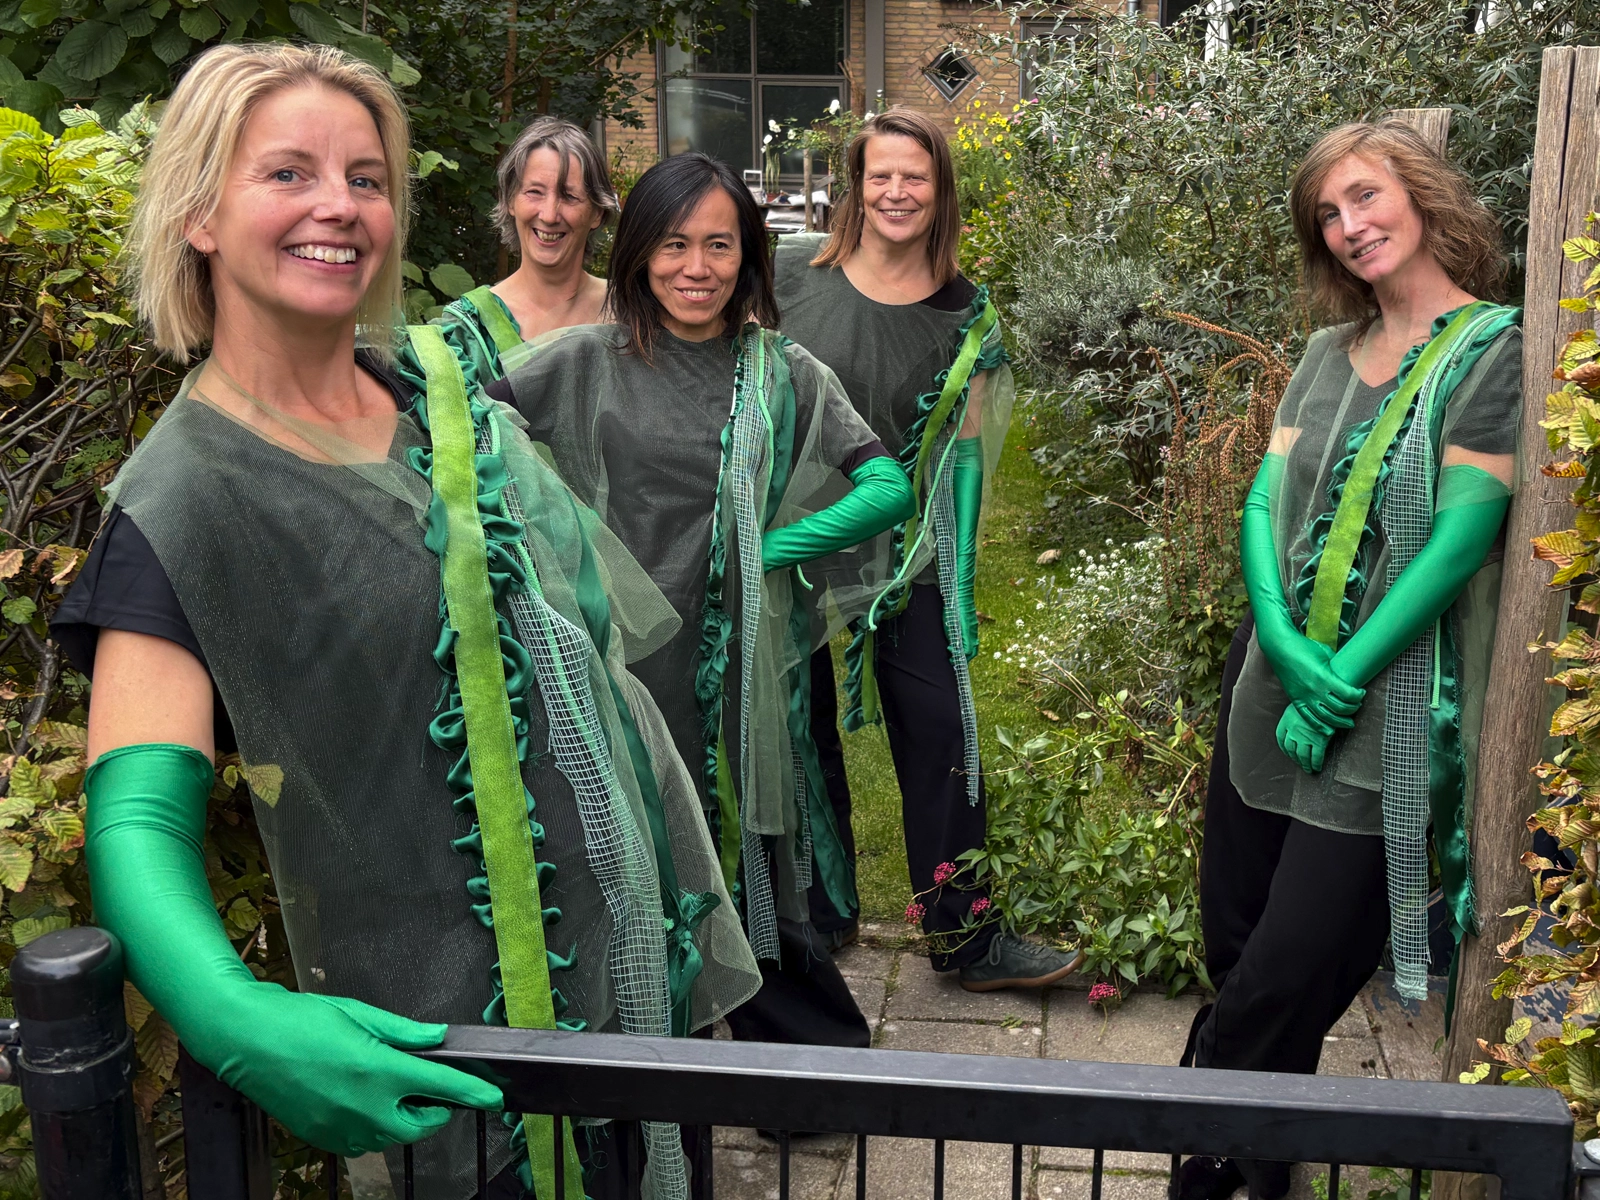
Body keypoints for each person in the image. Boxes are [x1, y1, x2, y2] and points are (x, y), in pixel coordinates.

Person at [63, 43, 759, 1200]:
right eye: (288, 173)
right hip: (449, 1046)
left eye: (367, 178)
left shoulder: (437, 397)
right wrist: (230, 1014)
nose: (339, 205)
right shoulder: (182, 501)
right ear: (199, 213)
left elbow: (588, 651)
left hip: (629, 969)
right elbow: (137, 812)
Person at [474, 152, 916, 1048]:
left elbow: (887, 487)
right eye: (674, 244)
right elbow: (467, 428)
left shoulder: (783, 371)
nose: (697, 268)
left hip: (744, 662)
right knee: (639, 842)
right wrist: (546, 543)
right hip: (625, 657)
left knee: (749, 849)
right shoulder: (585, 359)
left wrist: (765, 552)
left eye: (720, 245)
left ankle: (797, 1052)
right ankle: (651, 1040)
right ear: (639, 251)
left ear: (749, 255)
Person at [1179, 120, 1521, 1200]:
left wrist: (1338, 677)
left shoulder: (1491, 350)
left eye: (1365, 196)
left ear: (1421, 195)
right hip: (1269, 681)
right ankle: (1256, 1162)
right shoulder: (1330, 353)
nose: (1349, 225)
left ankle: (1201, 1146)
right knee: (1235, 942)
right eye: (1328, 214)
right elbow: (1262, 501)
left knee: (1294, 967)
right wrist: (1284, 646)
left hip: (1391, 702)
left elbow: (1461, 538)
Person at [774, 107, 1082, 990]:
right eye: (880, 175)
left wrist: (963, 576)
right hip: (787, 538)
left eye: (915, 176)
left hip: (903, 551)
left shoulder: (965, 313)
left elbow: (967, 453)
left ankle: (965, 938)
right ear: (855, 186)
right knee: (797, 731)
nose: (897, 192)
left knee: (943, 727)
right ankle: (820, 915)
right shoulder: (790, 273)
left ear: (942, 191)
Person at [432, 116, 616, 387]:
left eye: (569, 196)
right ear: (510, 201)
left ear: (597, 212)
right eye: (534, 192)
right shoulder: (469, 330)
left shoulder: (631, 312)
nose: (549, 215)